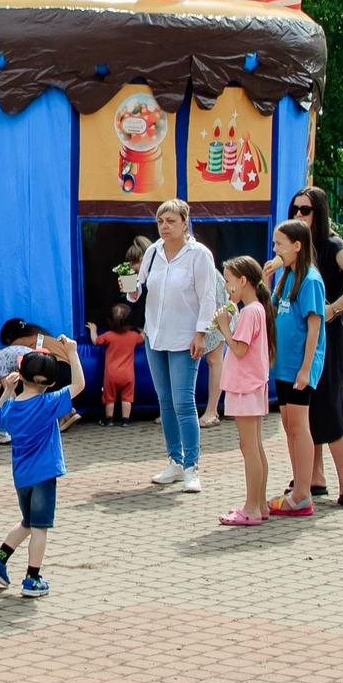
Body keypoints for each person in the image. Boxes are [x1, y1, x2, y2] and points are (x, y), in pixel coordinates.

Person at [283, 188, 343, 508]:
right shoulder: (298, 246)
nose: (298, 214)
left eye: (305, 210)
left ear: (319, 212)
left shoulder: (333, 245)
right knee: (307, 404)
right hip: (302, 335)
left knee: (332, 404)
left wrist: (334, 309)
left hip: (328, 334)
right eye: (294, 209)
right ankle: (313, 477)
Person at [0, 336, 82, 596]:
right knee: (39, 528)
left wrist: (7, 390)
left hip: (22, 478)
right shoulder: (49, 403)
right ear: (52, 383)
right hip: (44, 476)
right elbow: (79, 385)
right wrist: (72, 352)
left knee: (27, 522)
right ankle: (32, 579)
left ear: (20, 375)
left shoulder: (12, 408)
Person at [132, 199, 218, 491]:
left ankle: (192, 467)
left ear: (185, 222)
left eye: (170, 221)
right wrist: (130, 289)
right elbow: (138, 290)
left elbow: (208, 296)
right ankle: (175, 462)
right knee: (165, 401)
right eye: (160, 221)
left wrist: (201, 333)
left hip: (185, 337)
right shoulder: (153, 252)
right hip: (155, 336)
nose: (165, 227)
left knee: (183, 402)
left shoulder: (199, 255)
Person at [266, 219, 328, 518]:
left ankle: (304, 493)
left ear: (297, 246)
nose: (275, 249)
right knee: (289, 425)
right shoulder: (285, 276)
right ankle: (298, 486)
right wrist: (265, 280)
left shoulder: (311, 280)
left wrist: (306, 369)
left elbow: (314, 328)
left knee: (300, 426)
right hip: (283, 364)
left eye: (280, 243)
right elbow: (271, 310)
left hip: (299, 367)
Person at [213, 256, 274, 527]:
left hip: (245, 387)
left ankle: (251, 508)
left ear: (243, 281)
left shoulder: (250, 311)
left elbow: (239, 349)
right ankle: (260, 504)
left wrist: (224, 327)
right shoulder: (255, 309)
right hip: (253, 385)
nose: (226, 287)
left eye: (228, 281)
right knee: (254, 445)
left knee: (249, 447)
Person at [90, 305, 144, 423]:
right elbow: (142, 338)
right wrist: (142, 329)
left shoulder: (108, 336)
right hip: (128, 374)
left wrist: (93, 329)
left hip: (111, 374)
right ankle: (125, 419)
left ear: (110, 321)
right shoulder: (133, 336)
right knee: (127, 398)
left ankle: (109, 419)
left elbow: (96, 340)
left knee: (109, 397)